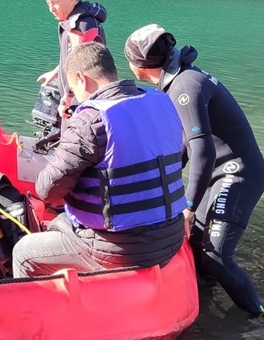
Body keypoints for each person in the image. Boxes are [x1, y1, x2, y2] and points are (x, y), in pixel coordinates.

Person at [124, 25, 264, 318]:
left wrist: (188, 206)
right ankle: (205, 310)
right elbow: (186, 147)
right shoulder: (178, 80)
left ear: (139, 65)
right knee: (193, 245)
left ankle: (261, 317)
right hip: (220, 171)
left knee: (215, 257)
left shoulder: (184, 87)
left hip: (238, 173)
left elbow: (203, 152)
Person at [12, 41, 187, 277]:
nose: (75, 98)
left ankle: (34, 311)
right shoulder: (162, 101)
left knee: (23, 252)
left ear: (82, 79)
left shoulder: (90, 121)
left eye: (73, 89)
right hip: (172, 236)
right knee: (60, 222)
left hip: (122, 249)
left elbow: (47, 190)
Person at [35, 0, 108, 120]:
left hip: (82, 100)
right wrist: (57, 71)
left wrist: (67, 100)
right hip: (79, 96)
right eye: (48, 4)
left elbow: (78, 68)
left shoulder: (81, 26)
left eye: (55, 3)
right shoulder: (75, 20)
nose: (51, 9)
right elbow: (72, 56)